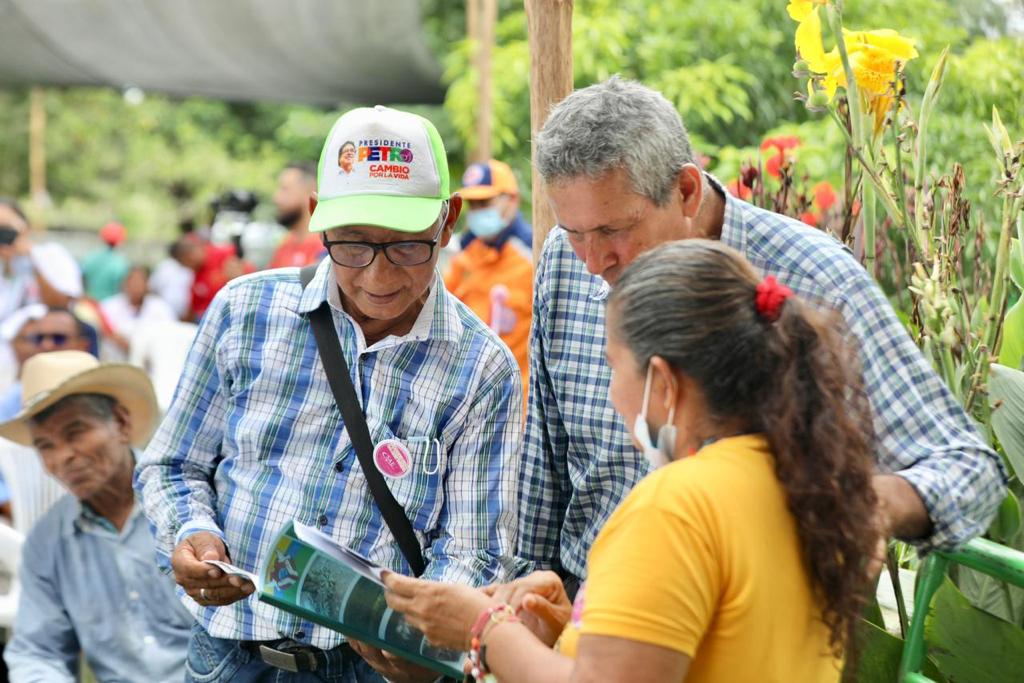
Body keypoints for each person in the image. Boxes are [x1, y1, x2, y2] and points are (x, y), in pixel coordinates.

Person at [518, 76, 1006, 592]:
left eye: (614, 230)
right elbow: (544, 471)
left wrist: (854, 507)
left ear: (685, 190)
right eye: (575, 233)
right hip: (593, 623)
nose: (593, 261)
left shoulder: (814, 280)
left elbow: (966, 469)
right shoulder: (564, 261)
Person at [136, 105, 523, 682]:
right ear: (317, 217)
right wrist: (192, 532)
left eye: (408, 247)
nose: (378, 276)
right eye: (352, 245)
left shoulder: (481, 368)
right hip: (232, 657)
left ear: (448, 222)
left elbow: (473, 548)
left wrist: (430, 649)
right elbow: (172, 463)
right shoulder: (244, 313)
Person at [382, 241, 878, 682]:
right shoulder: (804, 479)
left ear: (662, 381)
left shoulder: (675, 506)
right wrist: (578, 627)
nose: (613, 390)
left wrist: (483, 626)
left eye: (613, 366)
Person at [0, 350, 192, 682]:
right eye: (46, 446)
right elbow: (38, 651)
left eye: (75, 432)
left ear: (121, 422)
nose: (64, 457)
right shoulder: (47, 543)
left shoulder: (190, 502)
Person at [444, 160, 533, 392]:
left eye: (485, 202)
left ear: (512, 200)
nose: (477, 211)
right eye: (473, 204)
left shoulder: (532, 257)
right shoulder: (463, 258)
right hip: (468, 399)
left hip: (519, 404)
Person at [100, 264, 177, 356]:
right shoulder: (108, 306)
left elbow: (169, 334)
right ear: (124, 284)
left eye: (140, 281)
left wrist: (137, 347)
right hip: (115, 361)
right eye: (132, 281)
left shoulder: (160, 307)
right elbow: (104, 332)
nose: (136, 285)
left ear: (147, 284)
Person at [269, 161, 327, 268]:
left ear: (310, 192)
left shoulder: (326, 248)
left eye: (285, 189)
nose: (276, 198)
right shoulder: (285, 244)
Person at [150, 237, 200, 320]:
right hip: (163, 314)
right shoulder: (164, 266)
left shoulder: (190, 268)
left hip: (185, 316)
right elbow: (153, 288)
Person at [80, 222, 131, 301]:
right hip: (110, 307)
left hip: (89, 306)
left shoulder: (90, 257)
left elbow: (82, 280)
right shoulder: (120, 263)